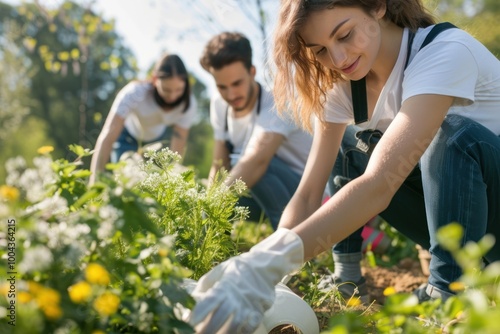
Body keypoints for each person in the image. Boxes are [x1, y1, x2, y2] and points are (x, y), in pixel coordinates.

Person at [188, 0, 500, 332]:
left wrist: (270, 263)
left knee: (452, 136)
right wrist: (261, 264)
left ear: (377, 7)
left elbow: (380, 184)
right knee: (352, 146)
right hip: (467, 232)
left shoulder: (445, 52)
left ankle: (447, 289)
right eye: (320, 50)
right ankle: (347, 279)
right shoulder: (346, 88)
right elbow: (308, 194)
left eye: (345, 34)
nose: (338, 59)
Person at [199, 32, 313, 230]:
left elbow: (257, 160)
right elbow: (219, 164)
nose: (231, 94)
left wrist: (212, 207)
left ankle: (290, 239)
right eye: (222, 87)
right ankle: (214, 246)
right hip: (262, 193)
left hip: (305, 193)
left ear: (252, 72)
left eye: (237, 83)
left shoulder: (278, 101)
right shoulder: (219, 104)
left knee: (245, 165)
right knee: (228, 176)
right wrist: (205, 209)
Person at [89, 54, 197, 184]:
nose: (173, 96)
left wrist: (172, 179)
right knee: (125, 181)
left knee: (152, 186)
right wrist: (94, 180)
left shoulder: (188, 104)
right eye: (167, 90)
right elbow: (108, 135)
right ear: (155, 79)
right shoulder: (134, 93)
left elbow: (178, 145)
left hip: (157, 143)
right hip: (127, 138)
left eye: (178, 90)